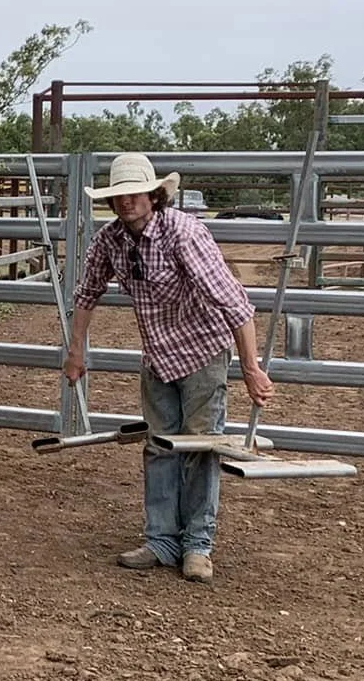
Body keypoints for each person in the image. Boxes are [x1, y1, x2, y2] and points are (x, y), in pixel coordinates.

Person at [62, 153, 276, 584]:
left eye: (135, 193)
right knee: (160, 445)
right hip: (158, 354)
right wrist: (76, 350)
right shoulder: (110, 240)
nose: (127, 202)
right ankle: (161, 540)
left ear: (153, 194)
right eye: (119, 195)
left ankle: (198, 544)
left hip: (202, 352)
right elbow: (87, 293)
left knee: (199, 446)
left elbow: (233, 302)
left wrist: (251, 367)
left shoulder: (183, 232)